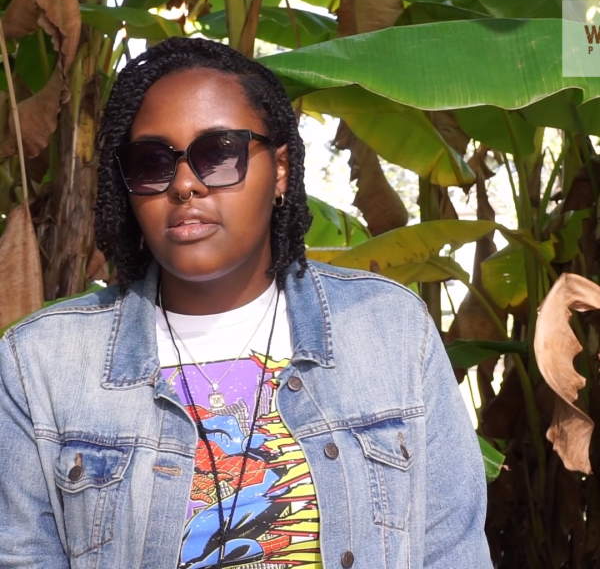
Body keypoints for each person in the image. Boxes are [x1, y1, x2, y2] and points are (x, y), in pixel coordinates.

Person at [0, 37, 492, 569]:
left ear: (279, 170)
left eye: (219, 154)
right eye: (152, 162)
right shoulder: (42, 363)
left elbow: (452, 551)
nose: (185, 184)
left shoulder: (389, 330)